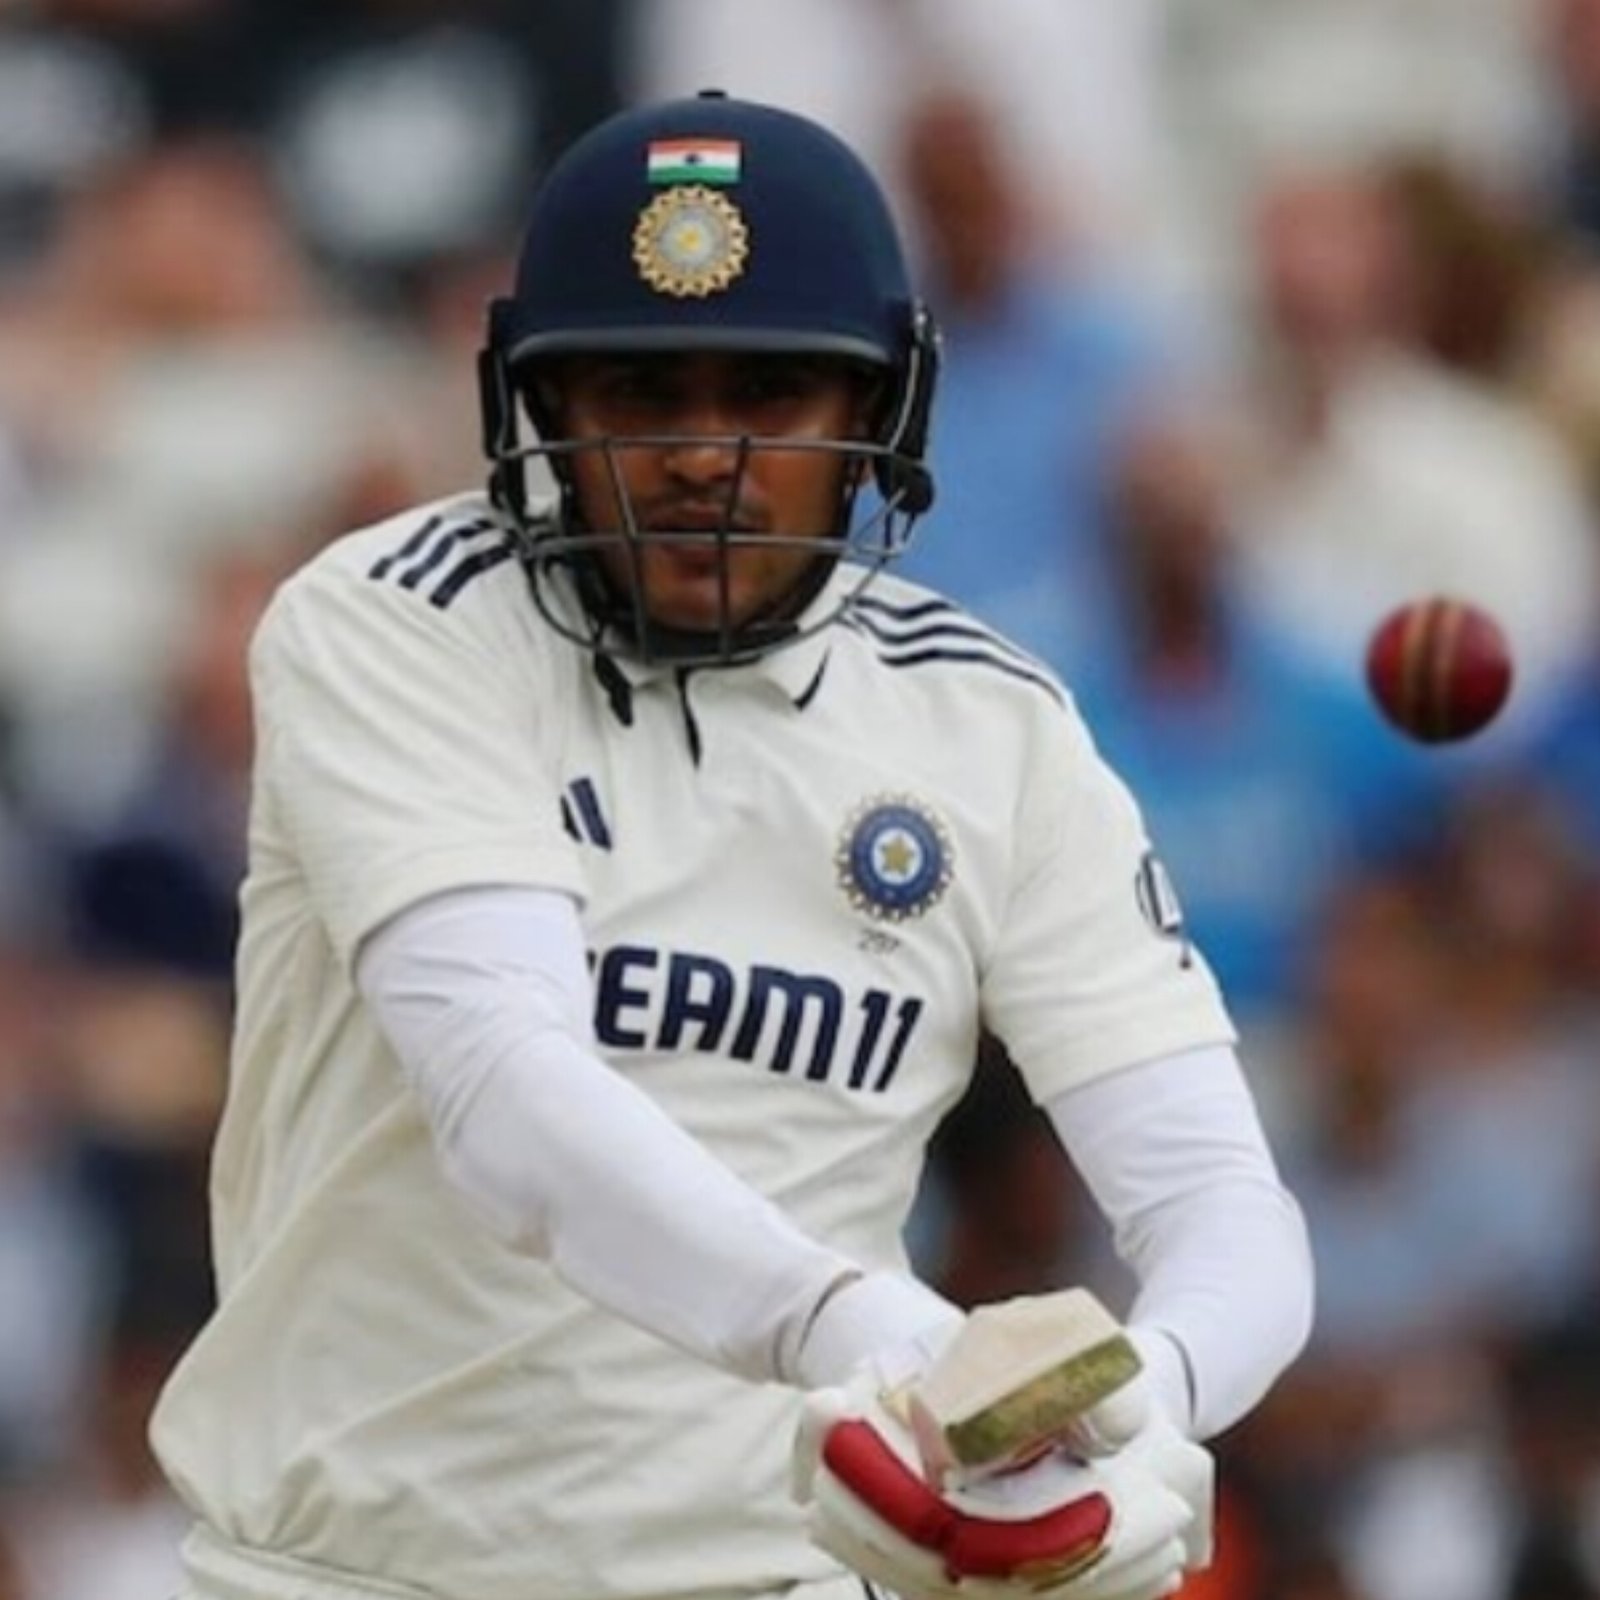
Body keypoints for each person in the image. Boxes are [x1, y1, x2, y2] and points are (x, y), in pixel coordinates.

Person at [148, 90, 1313, 1600]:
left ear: (878, 416)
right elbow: (508, 1099)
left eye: (772, 391)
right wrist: (899, 1348)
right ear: (541, 410)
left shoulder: (993, 726)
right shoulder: (393, 623)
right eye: (640, 392)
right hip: (350, 1577)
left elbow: (1222, 1204)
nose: (704, 454)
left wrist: (1135, 1405)